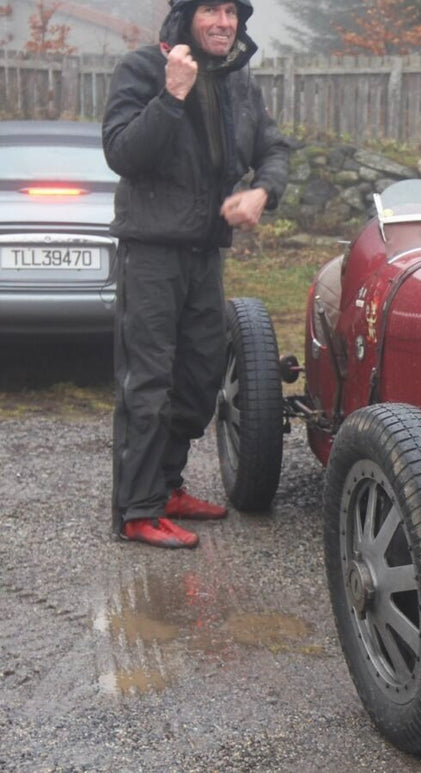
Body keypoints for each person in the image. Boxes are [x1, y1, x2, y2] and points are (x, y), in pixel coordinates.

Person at [103, 0, 289, 548]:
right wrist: (171, 94)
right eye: (210, 10)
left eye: (231, 12)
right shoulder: (144, 69)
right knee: (149, 383)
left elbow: (274, 147)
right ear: (186, 18)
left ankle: (167, 486)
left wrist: (262, 189)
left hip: (206, 254)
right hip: (153, 253)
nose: (223, 22)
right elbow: (121, 152)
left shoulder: (237, 81)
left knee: (199, 379)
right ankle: (137, 511)